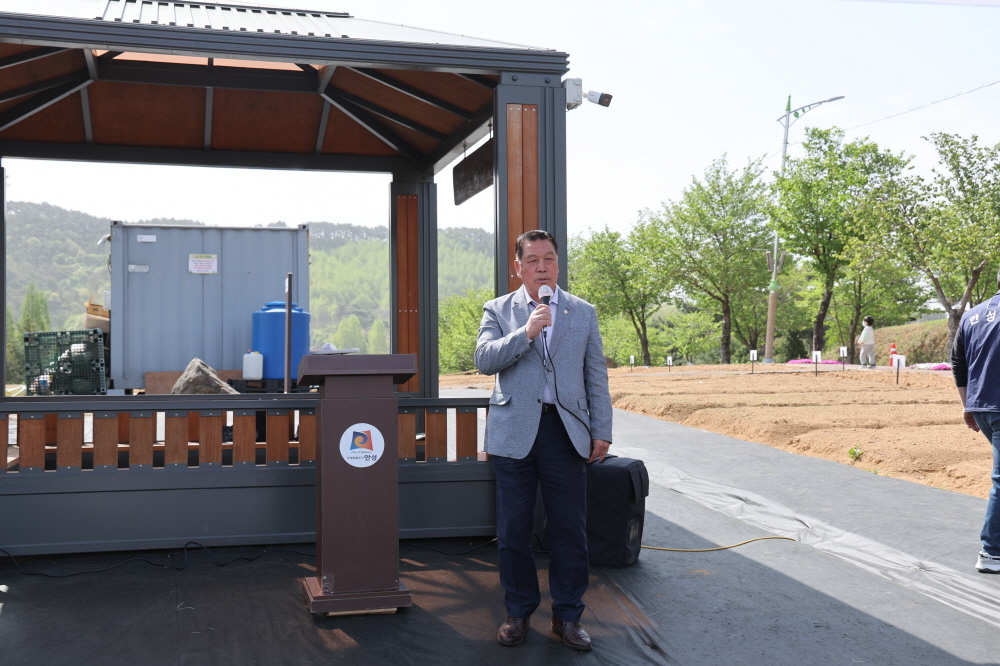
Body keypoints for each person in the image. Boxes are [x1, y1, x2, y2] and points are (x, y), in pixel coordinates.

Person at [475, 229, 613, 651]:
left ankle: (568, 617)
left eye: (548, 259)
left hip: (565, 432)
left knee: (570, 529)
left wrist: (601, 430)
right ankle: (517, 612)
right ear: (518, 267)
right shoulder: (498, 310)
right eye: (532, 260)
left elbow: (596, 376)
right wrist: (527, 333)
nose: (541, 267)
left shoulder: (582, 312)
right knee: (513, 529)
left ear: (558, 263)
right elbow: (484, 360)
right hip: (513, 433)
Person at [951, 268, 1000, 574]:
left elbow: (957, 360)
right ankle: (992, 551)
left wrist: (967, 403)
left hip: (982, 406)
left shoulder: (973, 315)